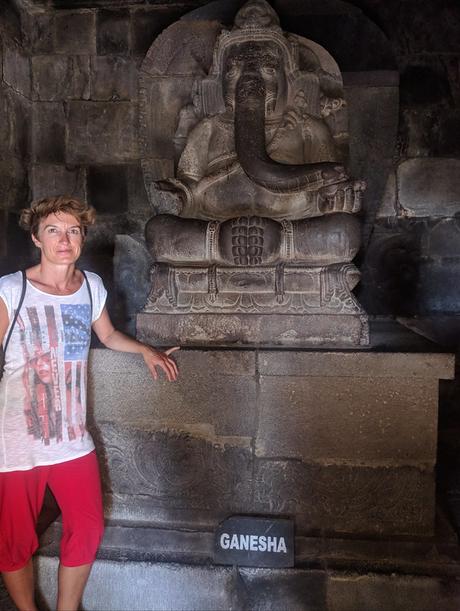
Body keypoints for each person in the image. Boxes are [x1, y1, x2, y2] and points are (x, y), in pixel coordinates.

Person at [0, 196, 179, 611]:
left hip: (71, 438)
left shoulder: (90, 286)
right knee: (14, 539)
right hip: (16, 441)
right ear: (36, 238)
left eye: (73, 231)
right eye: (54, 230)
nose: (65, 239)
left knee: (87, 526)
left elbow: (109, 335)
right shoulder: (12, 290)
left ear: (82, 238)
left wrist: (145, 351)